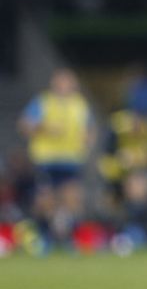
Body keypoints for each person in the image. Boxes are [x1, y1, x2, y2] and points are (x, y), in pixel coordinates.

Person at [18, 68, 95, 245]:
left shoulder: (80, 104)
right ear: (54, 83)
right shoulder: (43, 102)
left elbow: (90, 128)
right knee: (45, 201)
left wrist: (88, 142)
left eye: (68, 82)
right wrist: (43, 128)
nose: (65, 86)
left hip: (71, 160)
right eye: (61, 82)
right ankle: (41, 236)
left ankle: (69, 239)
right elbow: (24, 125)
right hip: (46, 159)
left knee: (72, 200)